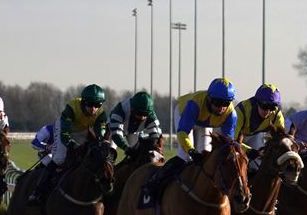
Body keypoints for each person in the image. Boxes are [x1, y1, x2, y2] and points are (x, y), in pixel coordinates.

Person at [141, 77, 237, 207]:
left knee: (206, 155)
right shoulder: (194, 104)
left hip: (204, 123)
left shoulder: (231, 115)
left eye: (226, 103)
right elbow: (182, 133)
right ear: (209, 98)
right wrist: (191, 150)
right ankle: (154, 183)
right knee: (185, 156)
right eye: (218, 102)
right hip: (184, 116)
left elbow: (227, 143)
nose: (221, 108)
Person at [28, 85, 107, 203]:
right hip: (65, 129)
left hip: (83, 130)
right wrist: (71, 144)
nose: (93, 109)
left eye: (97, 105)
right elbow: (64, 133)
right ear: (84, 102)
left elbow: (100, 133)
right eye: (90, 104)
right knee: (59, 158)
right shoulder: (71, 108)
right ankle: (38, 191)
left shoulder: (101, 114)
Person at [233, 83, 287, 171]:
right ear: (257, 102)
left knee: (258, 165)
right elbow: (232, 141)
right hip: (234, 137)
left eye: (272, 107)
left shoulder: (277, 114)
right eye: (264, 106)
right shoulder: (241, 111)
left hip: (255, 135)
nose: (268, 111)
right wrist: (248, 150)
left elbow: (281, 140)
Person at [106, 91, 162, 158]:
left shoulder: (151, 116)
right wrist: (126, 148)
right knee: (110, 152)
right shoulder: (121, 109)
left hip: (134, 132)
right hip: (114, 129)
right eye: (139, 113)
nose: (142, 117)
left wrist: (154, 146)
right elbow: (116, 134)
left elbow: (155, 136)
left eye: (145, 115)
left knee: (138, 154)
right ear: (132, 109)